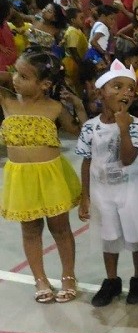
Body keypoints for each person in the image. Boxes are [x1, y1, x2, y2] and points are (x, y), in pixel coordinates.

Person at [0, 49, 87, 303]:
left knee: (60, 228)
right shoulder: (7, 100)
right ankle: (40, 278)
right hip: (21, 178)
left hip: (50, 175)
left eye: (24, 76)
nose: (16, 78)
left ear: (45, 84)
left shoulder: (55, 108)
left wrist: (79, 106)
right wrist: (13, 73)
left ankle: (68, 275)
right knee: (30, 229)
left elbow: (79, 131)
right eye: (15, 71)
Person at [76, 60, 138, 307]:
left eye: (130, 88)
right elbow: (87, 162)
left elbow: (128, 159)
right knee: (109, 236)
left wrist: (124, 129)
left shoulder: (135, 124)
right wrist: (84, 196)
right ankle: (111, 280)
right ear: (100, 93)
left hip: (131, 191)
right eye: (117, 87)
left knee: (135, 235)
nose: (124, 93)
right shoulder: (90, 127)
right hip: (102, 192)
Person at [62, 8, 88, 93]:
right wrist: (81, 65)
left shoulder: (77, 30)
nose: (83, 20)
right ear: (73, 20)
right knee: (74, 87)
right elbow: (73, 49)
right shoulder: (72, 31)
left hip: (75, 61)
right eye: (80, 18)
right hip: (72, 63)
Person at [0, 0, 18, 71]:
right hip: (3, 63)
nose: (11, 11)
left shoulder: (4, 22)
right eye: (9, 9)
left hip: (10, 60)